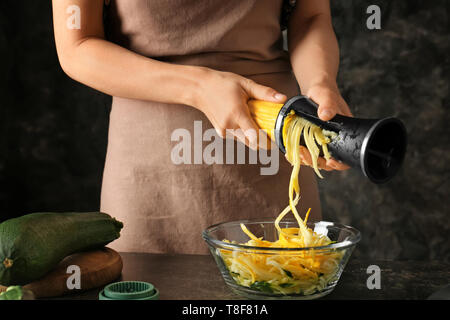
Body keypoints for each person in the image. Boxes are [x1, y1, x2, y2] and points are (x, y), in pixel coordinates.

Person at [52, 0, 351, 254]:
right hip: (150, 179)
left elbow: (311, 16)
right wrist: (199, 87)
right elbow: (76, 45)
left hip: (273, 160)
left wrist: (321, 83)